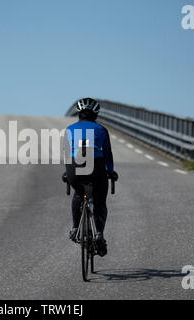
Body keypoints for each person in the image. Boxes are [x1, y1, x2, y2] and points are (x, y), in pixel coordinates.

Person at [63, 97, 118, 257]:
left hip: (75, 166)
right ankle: (99, 234)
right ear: (96, 114)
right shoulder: (102, 129)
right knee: (100, 201)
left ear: (79, 114)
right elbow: (107, 154)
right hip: (97, 166)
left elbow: (67, 154)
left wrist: (68, 172)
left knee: (79, 194)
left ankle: (74, 228)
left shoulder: (69, 129)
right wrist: (111, 171)